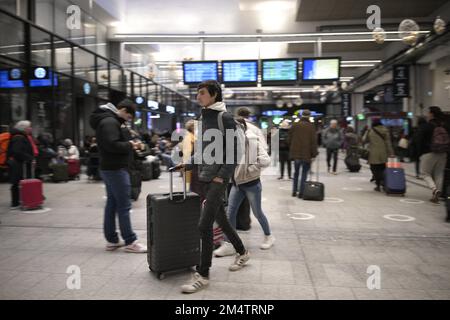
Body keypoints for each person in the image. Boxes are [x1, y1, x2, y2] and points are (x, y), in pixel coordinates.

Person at [174, 80, 249, 294]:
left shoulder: (223, 117)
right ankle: (242, 252)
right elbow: (205, 149)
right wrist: (189, 163)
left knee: (203, 225)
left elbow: (236, 150)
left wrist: (222, 176)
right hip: (205, 175)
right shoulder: (203, 116)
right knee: (222, 221)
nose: (198, 97)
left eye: (202, 93)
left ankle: (203, 274)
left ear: (214, 94)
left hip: (218, 179)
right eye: (198, 93)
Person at [89, 99, 147, 253]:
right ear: (122, 110)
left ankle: (112, 240)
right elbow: (112, 144)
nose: (127, 120)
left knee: (112, 204)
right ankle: (130, 241)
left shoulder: (106, 120)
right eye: (128, 117)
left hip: (109, 167)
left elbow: (110, 143)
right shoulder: (110, 122)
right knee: (124, 205)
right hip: (116, 169)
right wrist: (131, 145)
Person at [214, 116, 274, 257]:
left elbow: (265, 160)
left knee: (257, 212)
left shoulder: (251, 140)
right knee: (231, 213)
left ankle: (269, 236)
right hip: (237, 184)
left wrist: (249, 170)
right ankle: (230, 244)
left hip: (251, 184)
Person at [416, 106, 449, 204]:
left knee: (425, 173)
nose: (427, 114)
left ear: (431, 114)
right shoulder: (445, 125)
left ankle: (434, 189)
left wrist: (418, 153)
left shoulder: (427, 126)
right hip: (443, 153)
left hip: (429, 152)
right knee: (439, 174)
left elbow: (419, 140)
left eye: (428, 112)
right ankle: (436, 195)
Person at [288, 110, 318, 198]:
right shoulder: (311, 126)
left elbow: (289, 139)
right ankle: (301, 192)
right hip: (306, 154)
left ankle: (294, 191)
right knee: (304, 173)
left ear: (301, 115)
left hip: (296, 154)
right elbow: (313, 142)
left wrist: (292, 147)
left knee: (296, 172)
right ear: (309, 116)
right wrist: (314, 154)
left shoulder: (295, 125)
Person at [7, 121, 35, 209]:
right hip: (17, 163)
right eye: (29, 127)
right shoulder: (18, 137)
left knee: (19, 181)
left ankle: (22, 200)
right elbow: (17, 151)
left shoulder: (22, 136)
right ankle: (15, 203)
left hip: (19, 163)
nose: (31, 128)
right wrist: (29, 158)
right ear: (24, 128)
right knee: (16, 182)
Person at [363, 119, 394, 192]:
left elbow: (364, 140)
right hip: (384, 154)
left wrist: (366, 132)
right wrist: (391, 153)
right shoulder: (385, 130)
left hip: (373, 154)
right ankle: (384, 183)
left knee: (375, 170)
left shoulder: (370, 131)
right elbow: (388, 143)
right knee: (383, 169)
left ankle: (378, 185)